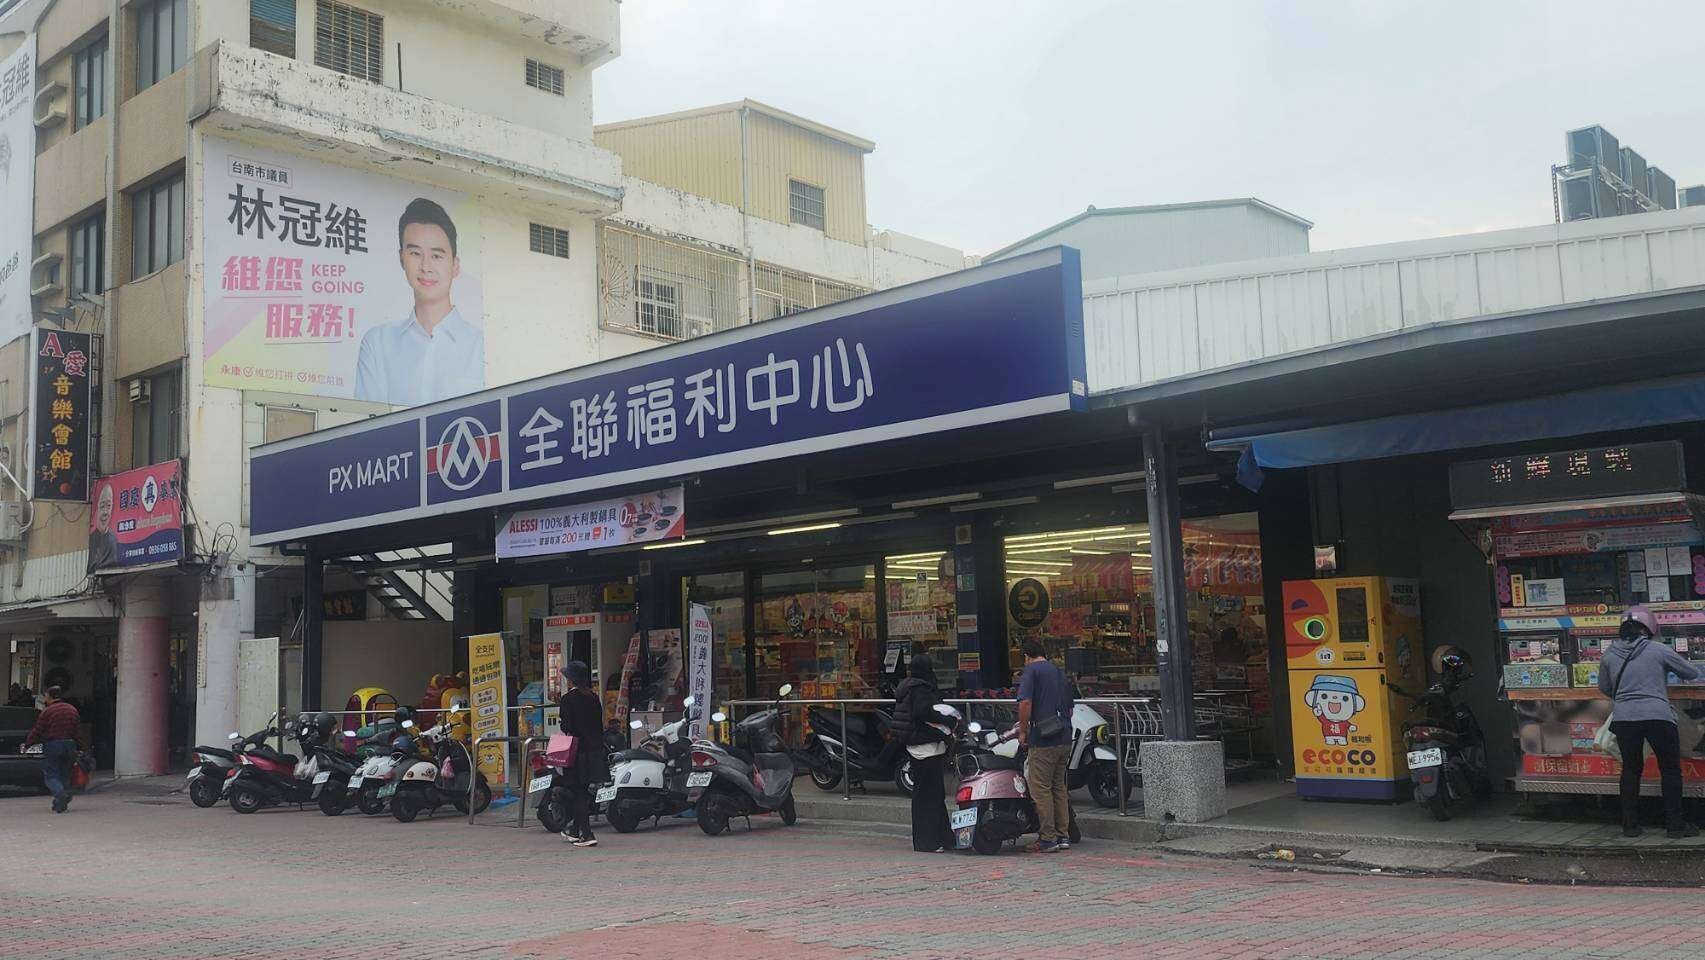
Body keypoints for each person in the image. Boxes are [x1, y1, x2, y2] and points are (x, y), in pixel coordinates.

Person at [354, 197, 485, 406]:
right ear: (401, 258)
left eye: (437, 256)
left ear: (455, 265)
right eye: (415, 253)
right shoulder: (377, 344)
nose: (426, 267)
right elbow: (368, 420)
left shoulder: (481, 347)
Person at [1598, 605, 1704, 838]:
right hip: (1658, 717)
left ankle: (1630, 826)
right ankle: (1675, 826)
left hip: (1625, 719)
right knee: (1670, 769)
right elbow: (1691, 673)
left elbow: (1604, 687)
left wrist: (1626, 697)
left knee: (1631, 769)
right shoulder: (1658, 649)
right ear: (1649, 628)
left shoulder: (1609, 654)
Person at [889, 653, 953, 853]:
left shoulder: (907, 686)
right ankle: (928, 841)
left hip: (916, 746)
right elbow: (924, 712)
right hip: (926, 746)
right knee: (930, 795)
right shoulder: (921, 689)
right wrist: (947, 719)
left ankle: (942, 837)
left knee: (929, 794)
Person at [1017, 639, 1074, 852]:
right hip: (1064, 735)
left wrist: (1023, 731)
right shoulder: (1058, 672)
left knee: (1040, 788)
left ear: (1026, 656)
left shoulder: (1031, 671)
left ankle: (1048, 838)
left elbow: (1025, 703)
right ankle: (1063, 835)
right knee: (1058, 786)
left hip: (1043, 738)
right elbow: (1070, 707)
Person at [556, 660, 609, 847]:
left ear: (571, 679)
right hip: (594, 751)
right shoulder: (593, 698)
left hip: (577, 752)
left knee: (577, 792)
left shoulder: (568, 699)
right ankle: (574, 831)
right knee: (584, 792)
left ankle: (587, 835)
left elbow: (566, 726)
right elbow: (598, 725)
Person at [23, 686, 82, 813]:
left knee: (51, 775)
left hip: (53, 745)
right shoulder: (72, 709)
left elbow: (38, 730)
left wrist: (28, 744)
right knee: (65, 774)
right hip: (70, 745)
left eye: (45, 696)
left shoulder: (47, 711)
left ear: (50, 696)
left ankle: (61, 794)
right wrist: (80, 746)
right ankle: (60, 804)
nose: (45, 699)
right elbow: (77, 731)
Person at [88, 483, 119, 571]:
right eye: (102, 506)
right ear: (97, 508)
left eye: (109, 506)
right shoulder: (91, 539)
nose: (105, 512)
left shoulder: (113, 539)